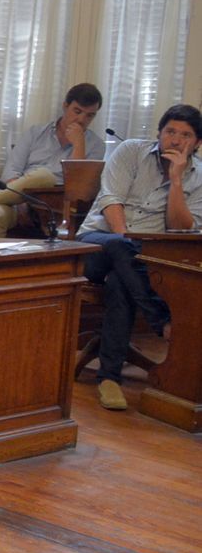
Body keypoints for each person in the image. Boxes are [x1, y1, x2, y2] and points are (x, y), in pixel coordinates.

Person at [76, 104, 202, 411]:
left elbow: (179, 229)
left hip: (141, 263)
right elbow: (111, 200)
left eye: (185, 135)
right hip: (95, 245)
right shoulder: (130, 151)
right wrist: (125, 243)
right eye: (170, 131)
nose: (175, 140)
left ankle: (109, 379)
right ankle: (164, 323)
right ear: (158, 133)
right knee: (121, 250)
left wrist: (176, 179)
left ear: (197, 144)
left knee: (122, 281)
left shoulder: (198, 178)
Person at [0, 83, 105, 237]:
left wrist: (79, 144)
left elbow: (78, 188)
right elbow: (11, 171)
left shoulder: (96, 145)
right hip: (20, 201)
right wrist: (22, 202)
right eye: (77, 111)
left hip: (58, 208)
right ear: (65, 106)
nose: (81, 119)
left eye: (89, 115)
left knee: (44, 176)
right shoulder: (35, 133)